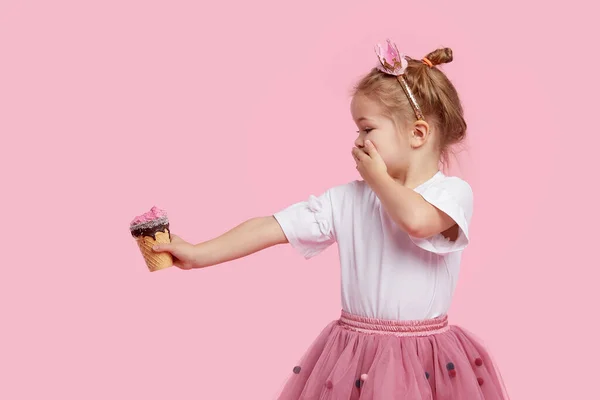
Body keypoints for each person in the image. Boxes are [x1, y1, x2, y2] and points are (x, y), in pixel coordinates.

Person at [152, 39, 510, 399]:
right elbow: (273, 225)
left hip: (425, 359)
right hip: (355, 357)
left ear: (418, 133)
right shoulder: (348, 199)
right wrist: (200, 253)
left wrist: (379, 180)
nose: (357, 141)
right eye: (357, 130)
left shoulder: (451, 194)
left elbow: (417, 221)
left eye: (367, 129)